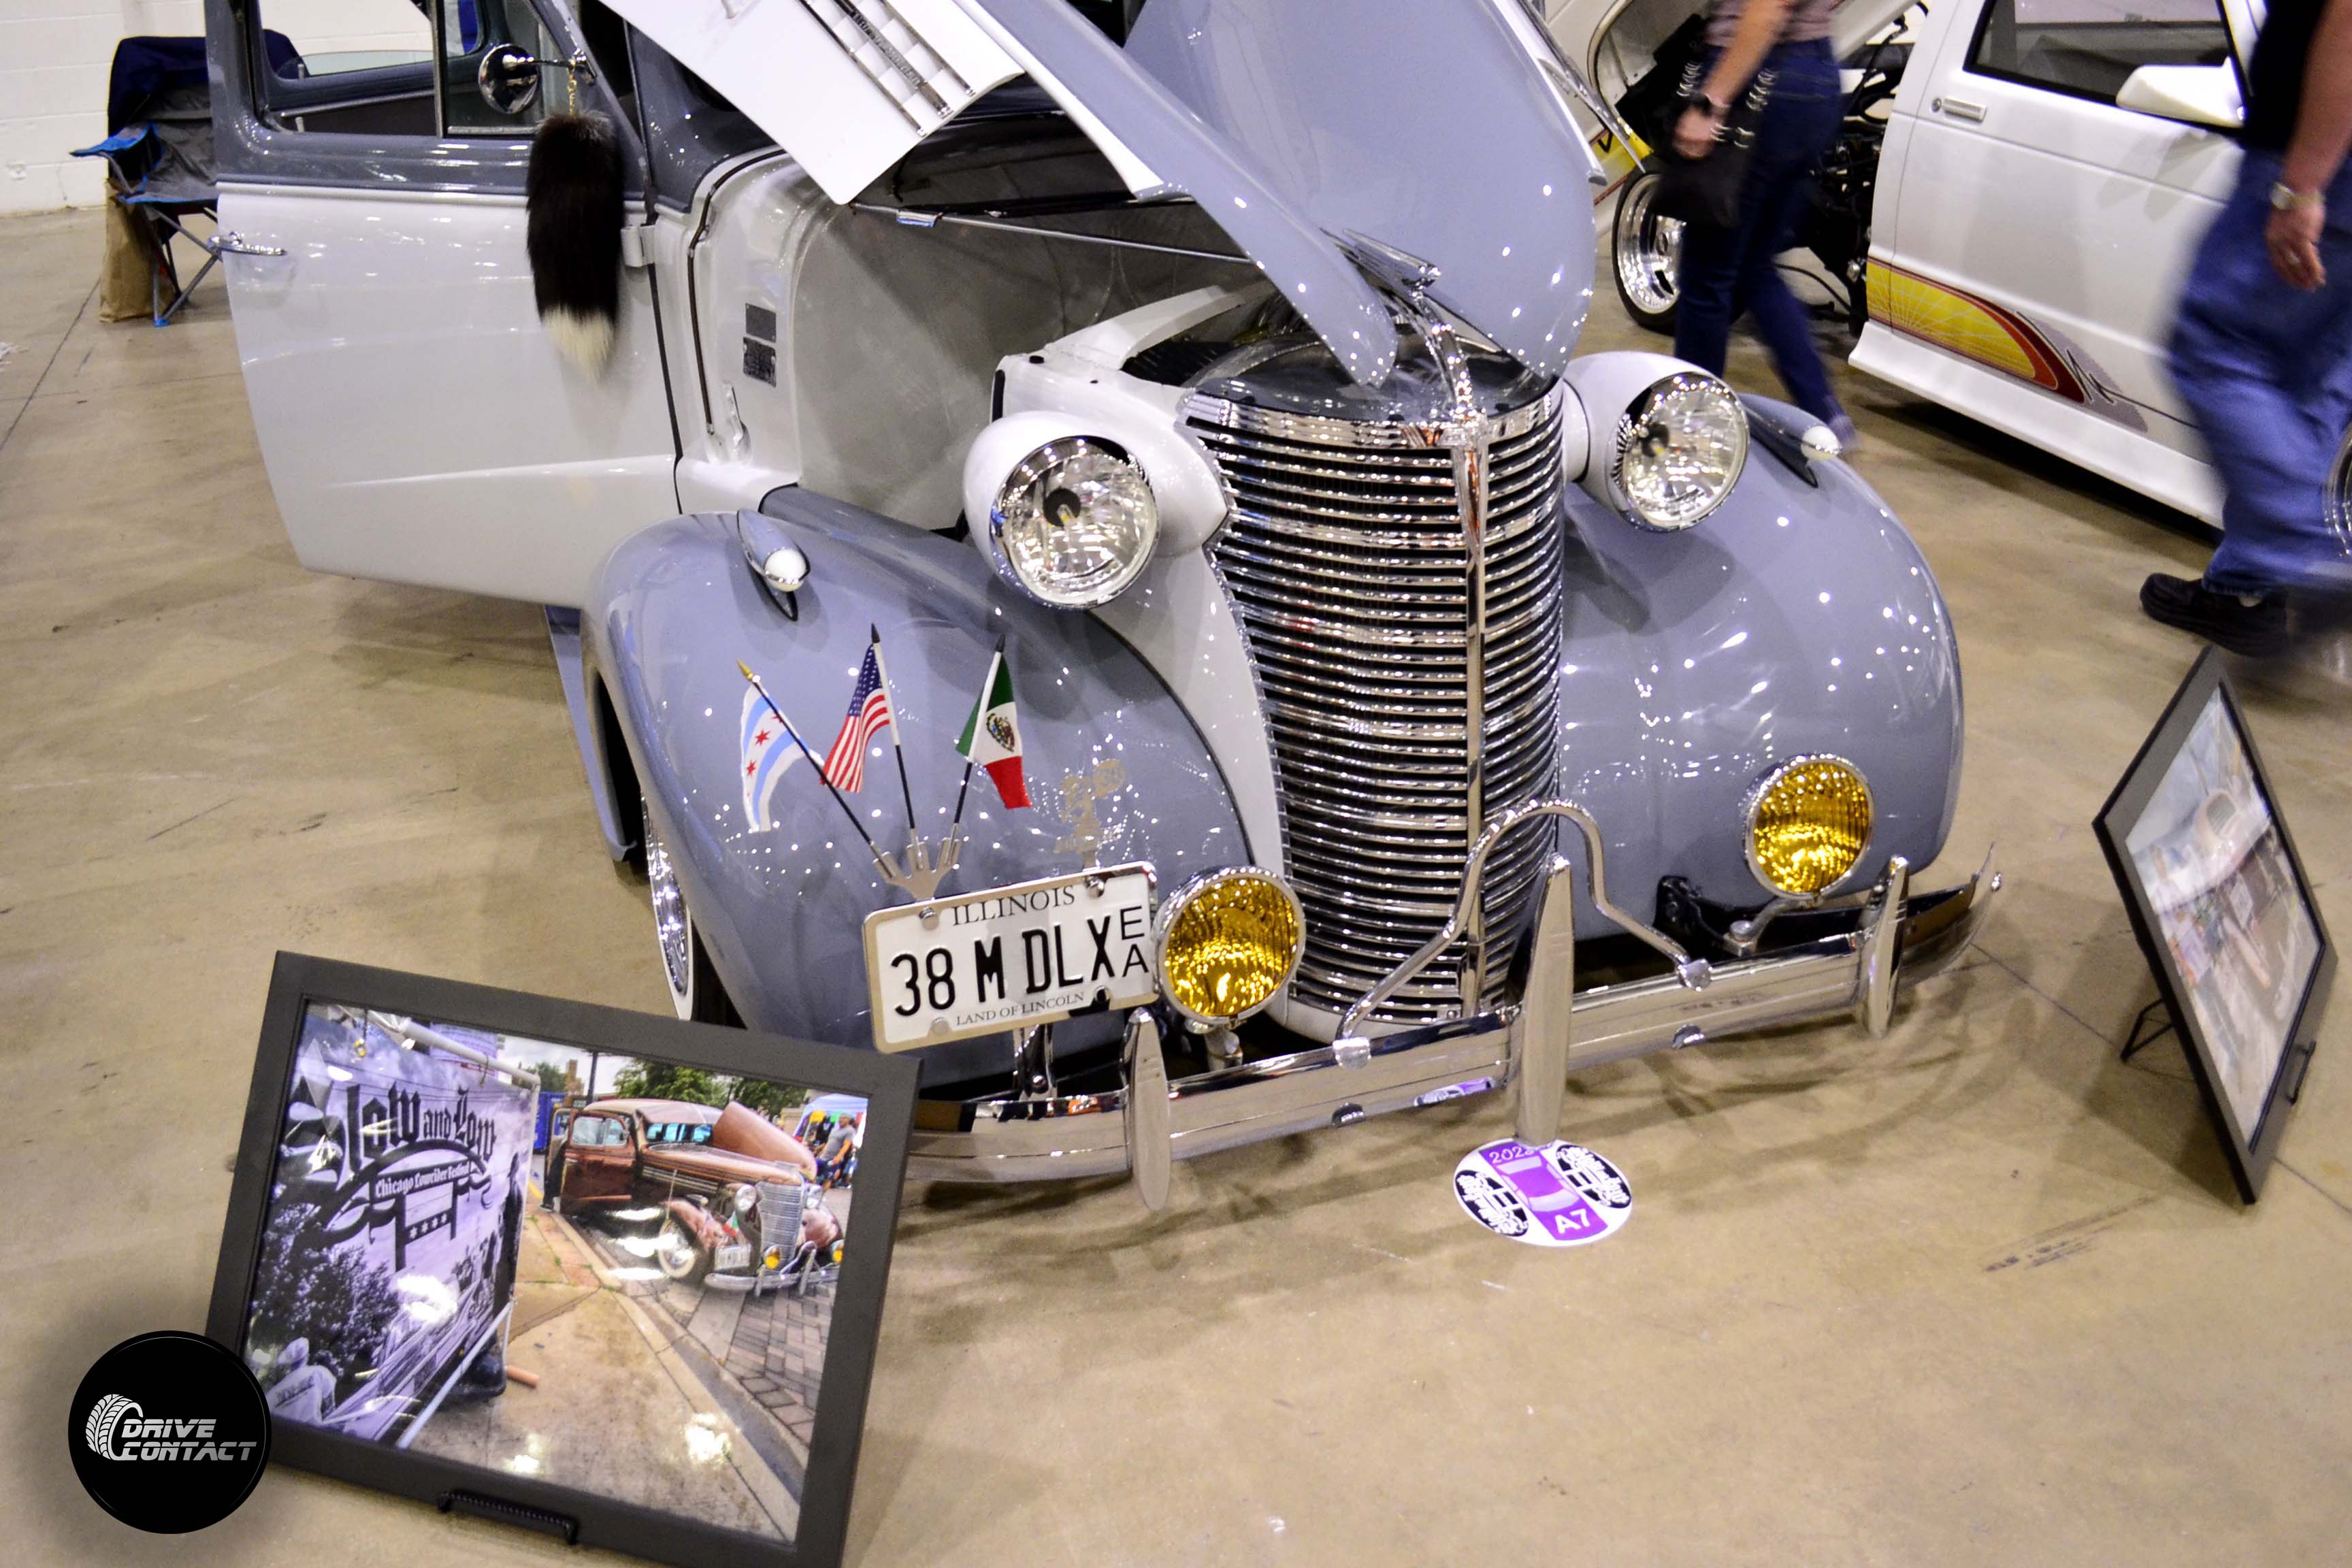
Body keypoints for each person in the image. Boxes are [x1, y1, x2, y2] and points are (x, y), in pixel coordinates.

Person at [2145, 0, 2352, 654]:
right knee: (2309, 377)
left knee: (2213, 344)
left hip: (2328, 165)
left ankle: (2308, 556)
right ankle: (2248, 587)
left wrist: (2303, 188)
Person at [1669, 0, 1853, 442]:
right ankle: (1824, 415)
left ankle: (1691, 433)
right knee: (1753, 266)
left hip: (1761, 79)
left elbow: (1768, 9)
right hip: (1815, 78)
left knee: (1706, 279)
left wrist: (1711, 103)